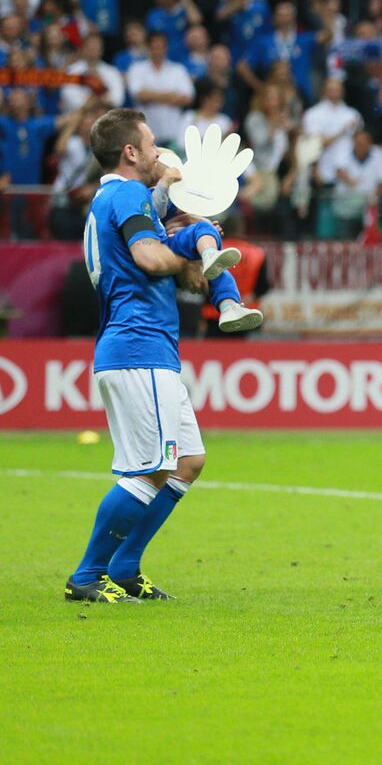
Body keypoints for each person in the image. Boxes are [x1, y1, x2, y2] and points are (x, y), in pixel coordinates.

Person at [64, 108, 236, 603]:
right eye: (152, 144)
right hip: (137, 346)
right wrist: (193, 254)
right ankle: (87, 575)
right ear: (130, 152)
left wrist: (191, 236)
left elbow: (157, 255)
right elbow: (150, 258)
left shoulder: (123, 199)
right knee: (153, 468)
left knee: (188, 462)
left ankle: (125, 565)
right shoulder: (126, 194)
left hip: (146, 346)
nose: (161, 152)